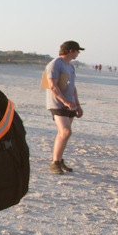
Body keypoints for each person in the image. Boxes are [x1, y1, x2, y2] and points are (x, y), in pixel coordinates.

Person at [44, 41, 84, 174]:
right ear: (71, 50)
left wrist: (77, 104)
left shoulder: (70, 67)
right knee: (66, 132)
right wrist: (65, 101)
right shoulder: (55, 64)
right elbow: (52, 85)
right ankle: (54, 162)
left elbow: (73, 87)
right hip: (57, 103)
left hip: (70, 103)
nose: (78, 53)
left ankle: (59, 160)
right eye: (77, 51)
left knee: (64, 134)